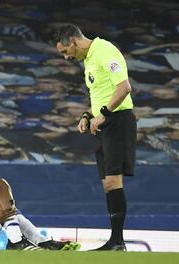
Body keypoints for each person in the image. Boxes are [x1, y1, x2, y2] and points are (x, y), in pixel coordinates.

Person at [52, 24, 137, 251]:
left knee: (113, 181)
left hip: (118, 120)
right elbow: (101, 94)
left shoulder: (105, 51)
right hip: (103, 122)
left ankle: (118, 242)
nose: (65, 57)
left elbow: (124, 87)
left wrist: (104, 115)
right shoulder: (89, 59)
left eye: (65, 51)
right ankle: (115, 241)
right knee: (107, 185)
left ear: (75, 42)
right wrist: (88, 115)